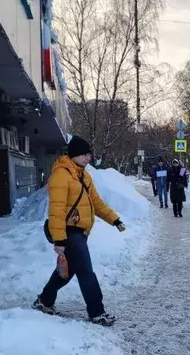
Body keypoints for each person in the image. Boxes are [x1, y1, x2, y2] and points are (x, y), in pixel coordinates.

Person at [33, 136, 126, 326]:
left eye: (89, 154)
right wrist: (59, 240)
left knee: (65, 272)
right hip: (69, 233)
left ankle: (44, 301)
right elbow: (56, 210)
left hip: (80, 233)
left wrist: (114, 219)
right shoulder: (61, 175)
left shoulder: (83, 175)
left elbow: (96, 203)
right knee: (86, 272)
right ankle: (97, 312)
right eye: (84, 154)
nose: (88, 158)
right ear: (74, 154)